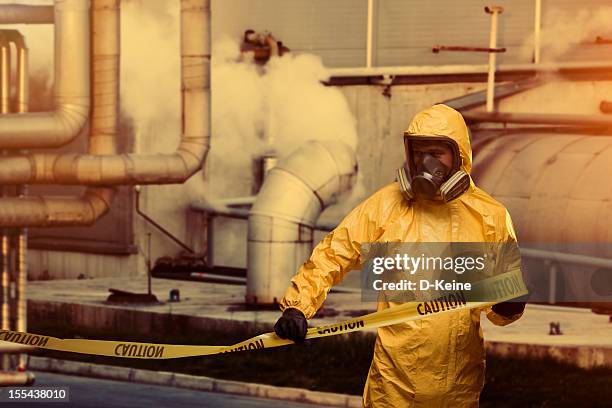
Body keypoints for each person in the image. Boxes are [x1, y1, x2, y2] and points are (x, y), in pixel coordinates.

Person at [273, 104, 526, 407]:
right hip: (393, 389)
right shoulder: (386, 206)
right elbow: (335, 252)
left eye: (436, 152)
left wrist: (508, 305)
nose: (426, 162)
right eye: (419, 153)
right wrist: (298, 306)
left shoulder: (490, 217)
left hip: (457, 390)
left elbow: (502, 302)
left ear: (460, 156)